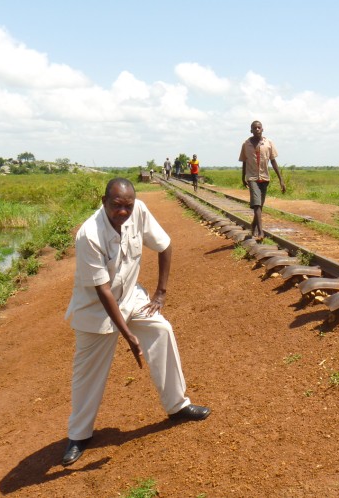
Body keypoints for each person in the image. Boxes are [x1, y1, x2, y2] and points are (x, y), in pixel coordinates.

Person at [62, 178, 210, 466]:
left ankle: (177, 405)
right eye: (117, 206)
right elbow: (103, 290)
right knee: (87, 375)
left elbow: (165, 245)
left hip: (131, 297)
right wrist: (128, 336)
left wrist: (160, 293)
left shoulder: (139, 211)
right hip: (95, 310)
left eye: (127, 205)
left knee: (162, 330)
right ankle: (78, 435)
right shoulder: (89, 235)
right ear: (104, 201)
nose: (123, 212)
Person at [239, 121, 286, 241]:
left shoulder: (268, 143)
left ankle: (253, 226)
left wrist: (281, 180)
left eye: (259, 127)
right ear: (251, 130)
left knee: (260, 206)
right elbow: (244, 162)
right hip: (252, 178)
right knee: (257, 204)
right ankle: (261, 232)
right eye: (254, 128)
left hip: (265, 178)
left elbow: (273, 161)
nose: (257, 129)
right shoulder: (246, 144)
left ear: (262, 129)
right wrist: (243, 177)